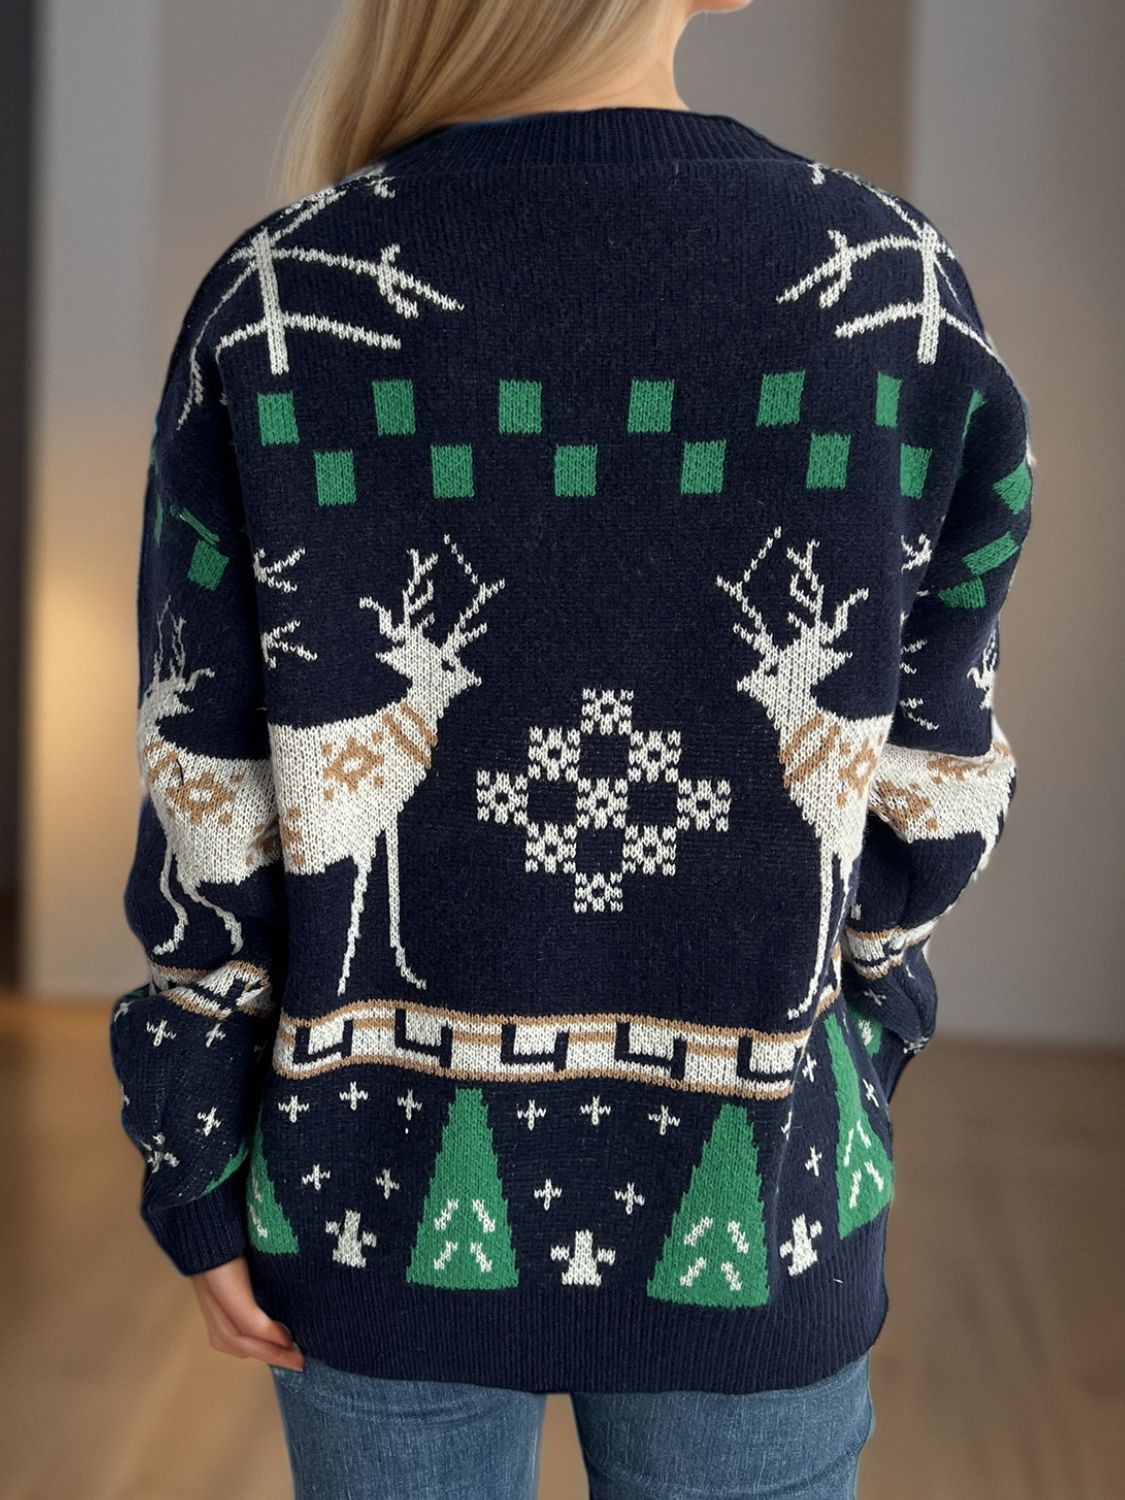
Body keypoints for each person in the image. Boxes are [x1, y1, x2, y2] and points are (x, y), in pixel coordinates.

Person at [107, 0, 1035, 1495]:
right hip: (764, 1199)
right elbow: (938, 780)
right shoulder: (889, 296)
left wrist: (198, 1146)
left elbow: (205, 784)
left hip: (368, 1194)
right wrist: (856, 1034)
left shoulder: (284, 293)